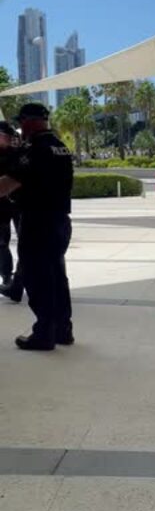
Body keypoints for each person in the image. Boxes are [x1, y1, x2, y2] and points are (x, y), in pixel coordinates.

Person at [0, 103, 74, 351]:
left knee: (37, 277)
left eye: (21, 122)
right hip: (60, 220)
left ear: (30, 122)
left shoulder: (35, 149)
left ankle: (44, 333)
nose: (20, 128)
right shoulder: (59, 146)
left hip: (38, 220)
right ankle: (63, 328)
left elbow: (7, 185)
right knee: (56, 276)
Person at [0, 122, 24, 302]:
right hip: (1, 205)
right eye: (6, 135)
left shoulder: (18, 154)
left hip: (18, 203)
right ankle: (7, 278)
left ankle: (17, 282)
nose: (10, 138)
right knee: (1, 243)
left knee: (26, 244)